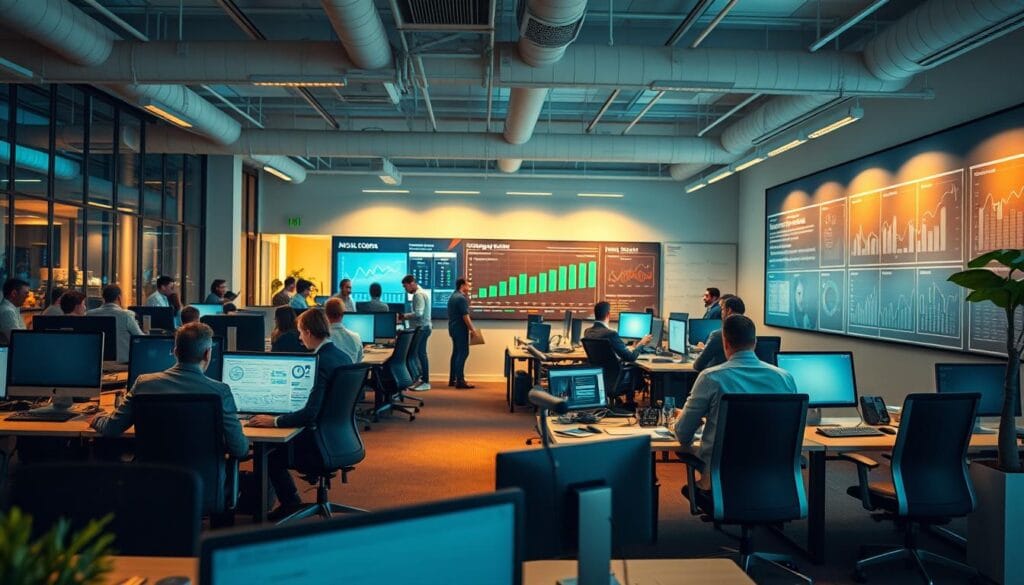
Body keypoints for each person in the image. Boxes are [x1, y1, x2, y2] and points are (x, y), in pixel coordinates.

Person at [247, 308, 353, 520]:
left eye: (300, 332)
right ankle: (290, 503)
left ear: (309, 332)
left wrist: (275, 421)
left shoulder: (319, 362)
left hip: (318, 441)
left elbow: (310, 413)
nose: (299, 337)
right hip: (341, 437)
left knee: (270, 455)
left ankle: (290, 504)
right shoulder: (342, 356)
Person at [673, 315, 797, 491]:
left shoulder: (710, 378)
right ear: (755, 342)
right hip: (773, 481)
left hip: (721, 482)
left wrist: (687, 421)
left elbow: (683, 433)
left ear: (725, 343)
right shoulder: (785, 378)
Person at [89, 322, 248, 458]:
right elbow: (239, 449)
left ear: (176, 351)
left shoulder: (143, 384)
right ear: (207, 354)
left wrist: (96, 417)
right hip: (203, 485)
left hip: (153, 482)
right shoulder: (220, 392)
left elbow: (112, 428)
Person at [88, 284, 145, 362]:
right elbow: (141, 338)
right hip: (121, 365)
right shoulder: (126, 315)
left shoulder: (89, 314)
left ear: (103, 298)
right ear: (119, 298)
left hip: (97, 363)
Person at [583, 301, 652, 362]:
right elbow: (630, 357)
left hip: (599, 372)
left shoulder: (587, 331)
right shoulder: (611, 334)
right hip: (615, 373)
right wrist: (642, 343)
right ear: (608, 314)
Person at [693, 295, 745, 372]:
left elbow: (698, 365)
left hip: (717, 378)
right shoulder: (749, 333)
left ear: (729, 310)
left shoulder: (719, 335)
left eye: (722, 309)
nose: (721, 313)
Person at [400, 274, 432, 391]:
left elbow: (418, 313)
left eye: (405, 286)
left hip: (422, 328)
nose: (405, 289)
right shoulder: (421, 292)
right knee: (419, 354)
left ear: (411, 283)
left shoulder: (418, 295)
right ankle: (421, 379)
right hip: (424, 327)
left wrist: (404, 316)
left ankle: (426, 381)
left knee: (421, 354)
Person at [447, 278, 476, 389]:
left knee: (456, 353)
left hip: (453, 329)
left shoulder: (453, 296)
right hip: (460, 330)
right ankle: (460, 380)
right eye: (468, 285)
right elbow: (465, 316)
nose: (469, 288)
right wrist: (472, 330)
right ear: (462, 285)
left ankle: (452, 379)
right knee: (463, 353)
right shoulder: (461, 298)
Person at [325, 298, 363, 363]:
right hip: (352, 373)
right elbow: (359, 362)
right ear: (343, 314)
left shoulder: (322, 338)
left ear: (326, 314)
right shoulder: (356, 337)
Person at [0, 278, 28, 344]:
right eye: (25, 293)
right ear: (14, 293)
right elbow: (17, 340)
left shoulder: (14, 308)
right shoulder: (7, 312)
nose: (27, 297)